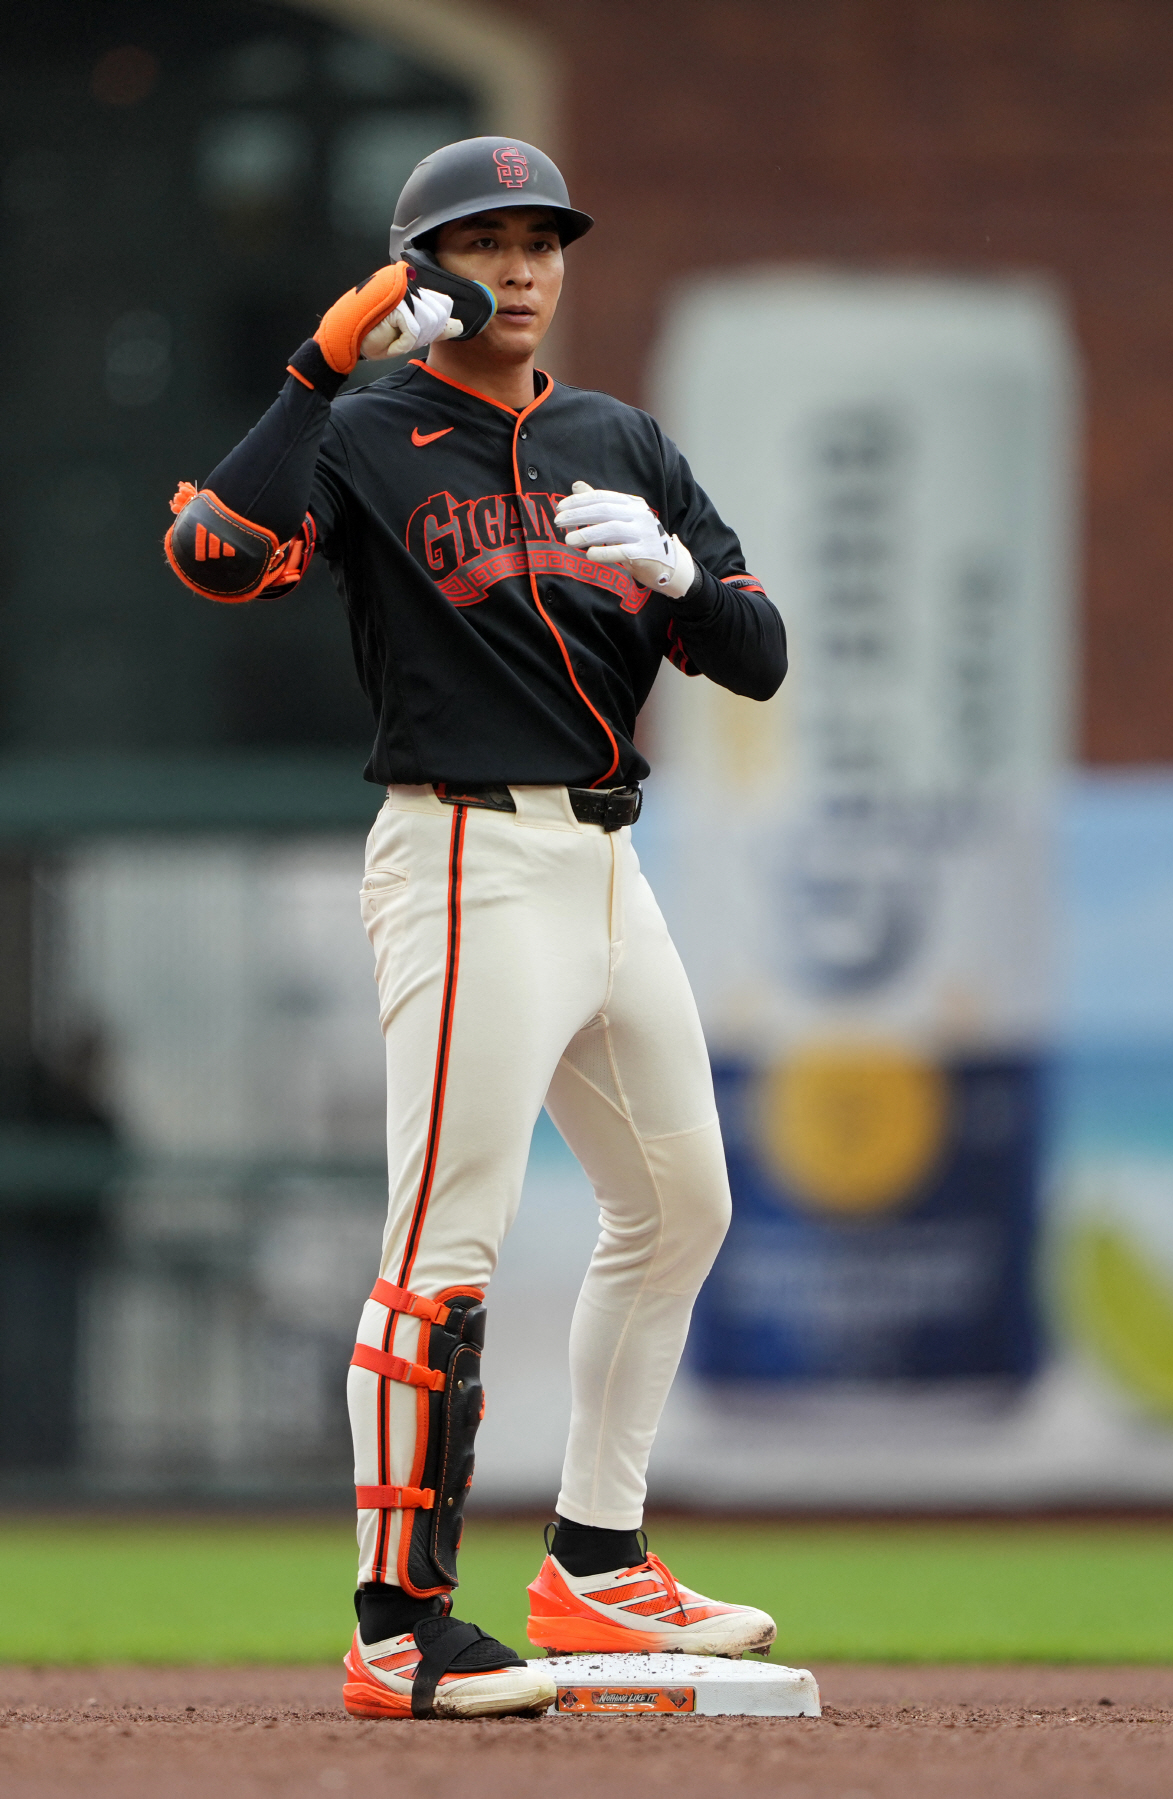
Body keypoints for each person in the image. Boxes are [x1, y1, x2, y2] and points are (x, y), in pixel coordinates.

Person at [165, 136, 787, 1722]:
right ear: (420, 266)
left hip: (604, 865)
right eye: (479, 240)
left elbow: (762, 653)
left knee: (681, 1205)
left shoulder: (617, 438)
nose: (518, 267)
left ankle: (596, 1558)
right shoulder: (370, 434)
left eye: (540, 239)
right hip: (462, 856)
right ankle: (397, 1627)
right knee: (445, 1252)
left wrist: (679, 582)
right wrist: (321, 359)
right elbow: (213, 557)